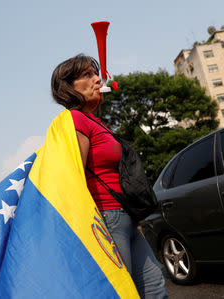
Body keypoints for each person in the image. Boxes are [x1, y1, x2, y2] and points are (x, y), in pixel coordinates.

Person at [50, 54, 168, 299]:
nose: (97, 79)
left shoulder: (95, 121)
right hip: (105, 220)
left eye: (96, 74)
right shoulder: (75, 119)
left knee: (154, 287)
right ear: (68, 88)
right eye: (87, 75)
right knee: (119, 293)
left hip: (125, 217)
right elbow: (74, 175)